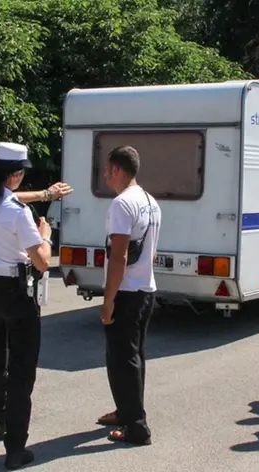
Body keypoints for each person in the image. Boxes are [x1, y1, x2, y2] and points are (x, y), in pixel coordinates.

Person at [0, 142, 52, 470]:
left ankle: (0, 420)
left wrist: (44, 194)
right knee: (21, 370)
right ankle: (15, 447)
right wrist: (45, 234)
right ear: (16, 175)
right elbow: (43, 262)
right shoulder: (18, 213)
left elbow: (10, 198)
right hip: (16, 291)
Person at [95, 145, 162, 446]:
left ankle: (136, 427)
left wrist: (108, 299)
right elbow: (153, 251)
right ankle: (127, 411)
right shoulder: (150, 201)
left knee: (123, 359)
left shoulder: (122, 204)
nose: (105, 175)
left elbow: (119, 256)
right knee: (134, 357)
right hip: (145, 288)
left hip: (127, 292)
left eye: (108, 169)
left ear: (118, 169)